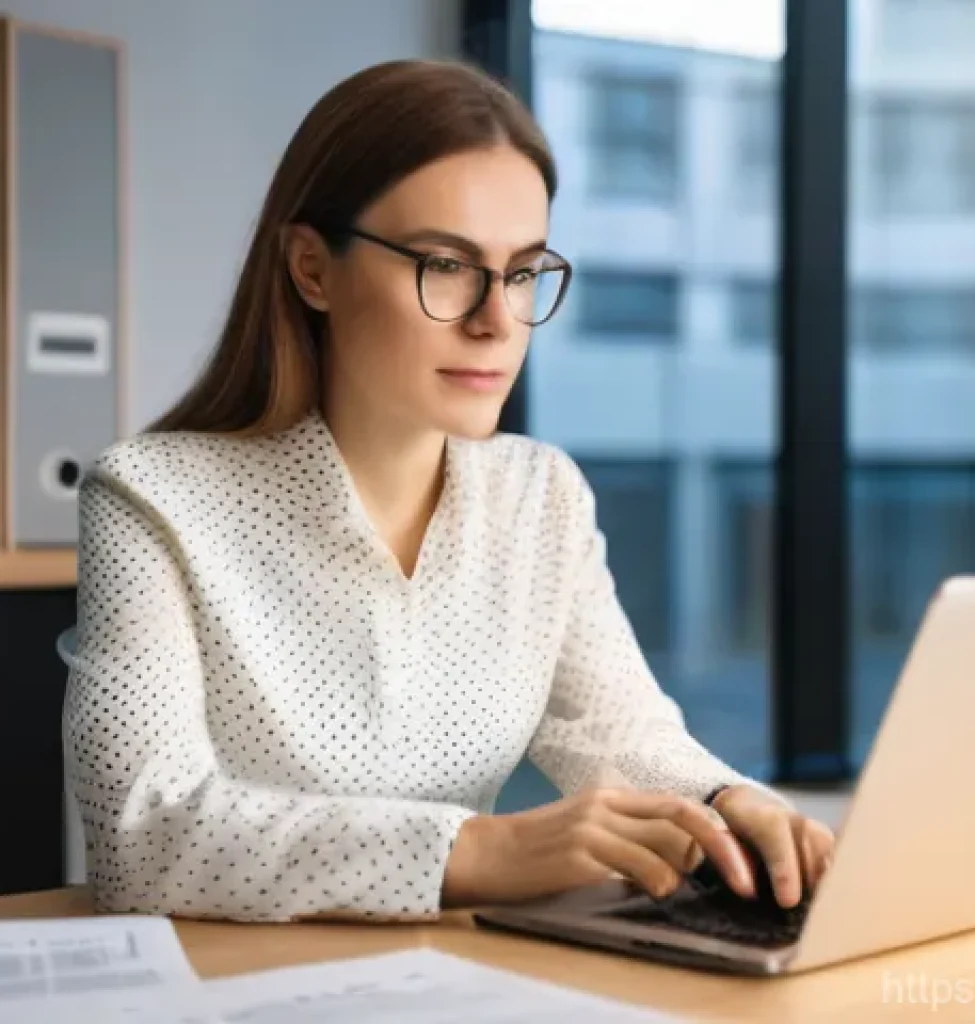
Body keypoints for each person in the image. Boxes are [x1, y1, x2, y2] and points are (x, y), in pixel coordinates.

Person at [63, 59, 835, 924]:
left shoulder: (541, 496)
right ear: (313, 269)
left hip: (459, 979)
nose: (496, 321)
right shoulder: (152, 498)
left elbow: (619, 735)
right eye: (446, 265)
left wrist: (729, 803)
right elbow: (145, 837)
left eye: (523, 273)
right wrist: (477, 849)